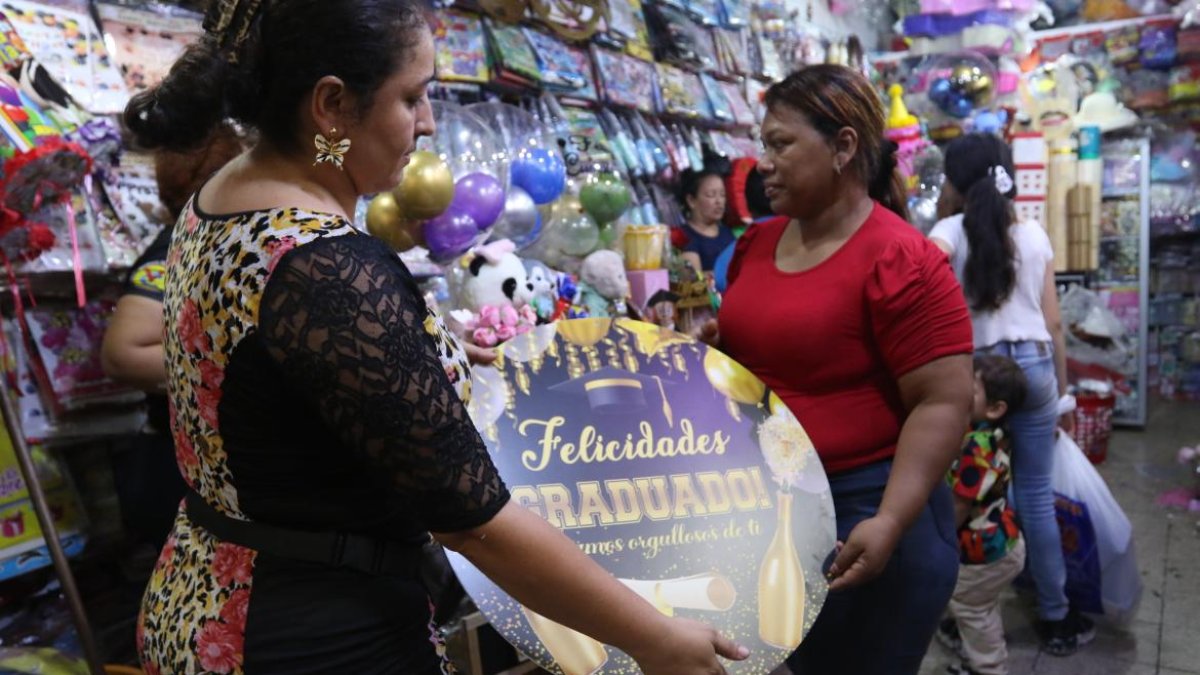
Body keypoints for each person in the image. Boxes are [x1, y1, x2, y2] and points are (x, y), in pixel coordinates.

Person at [122, 1, 748, 672]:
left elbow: (269, 364)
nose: (427, 123)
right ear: (332, 104)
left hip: (206, 592)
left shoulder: (221, 195)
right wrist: (655, 636)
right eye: (413, 97)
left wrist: (419, 346)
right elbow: (474, 522)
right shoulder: (324, 266)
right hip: (309, 635)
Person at [711, 64, 975, 674]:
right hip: (776, 504)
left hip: (871, 511)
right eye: (762, 145)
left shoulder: (901, 260)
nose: (763, 163)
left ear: (843, 146)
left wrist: (888, 520)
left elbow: (942, 402)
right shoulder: (757, 244)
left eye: (780, 144)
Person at [929, 133, 1092, 657]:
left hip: (975, 381)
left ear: (954, 181)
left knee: (969, 496)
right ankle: (1056, 616)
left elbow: (920, 272)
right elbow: (1053, 322)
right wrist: (1062, 399)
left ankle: (964, 614)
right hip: (1036, 370)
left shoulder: (948, 232)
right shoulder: (1033, 234)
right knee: (1036, 496)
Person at [101, 122, 247, 550]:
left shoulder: (223, 241)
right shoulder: (179, 248)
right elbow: (123, 354)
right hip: (181, 471)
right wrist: (237, 361)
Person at [941, 354, 1029, 675]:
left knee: (970, 607)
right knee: (983, 606)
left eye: (972, 390)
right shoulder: (994, 434)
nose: (962, 390)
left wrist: (941, 538)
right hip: (1002, 541)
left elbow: (961, 504)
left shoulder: (977, 448)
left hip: (984, 552)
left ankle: (988, 668)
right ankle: (976, 658)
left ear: (995, 408)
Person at [677, 168, 735, 273]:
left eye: (722, 195)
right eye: (711, 195)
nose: (719, 201)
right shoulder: (683, 237)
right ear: (691, 200)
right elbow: (694, 281)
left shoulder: (728, 233)